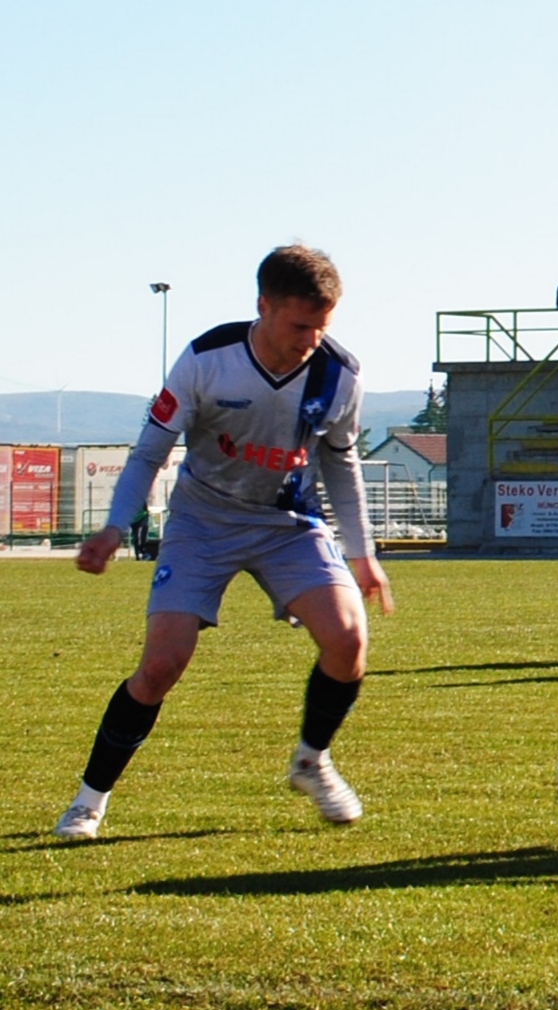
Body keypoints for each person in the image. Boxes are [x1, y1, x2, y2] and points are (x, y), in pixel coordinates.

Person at [53, 245, 395, 841]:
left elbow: (341, 464)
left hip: (287, 523)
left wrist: (362, 554)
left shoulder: (341, 374)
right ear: (262, 306)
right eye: (299, 325)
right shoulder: (207, 360)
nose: (311, 339)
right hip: (202, 521)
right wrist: (114, 525)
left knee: (348, 640)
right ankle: (89, 801)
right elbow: (149, 453)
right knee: (161, 666)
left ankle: (312, 761)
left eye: (322, 326)